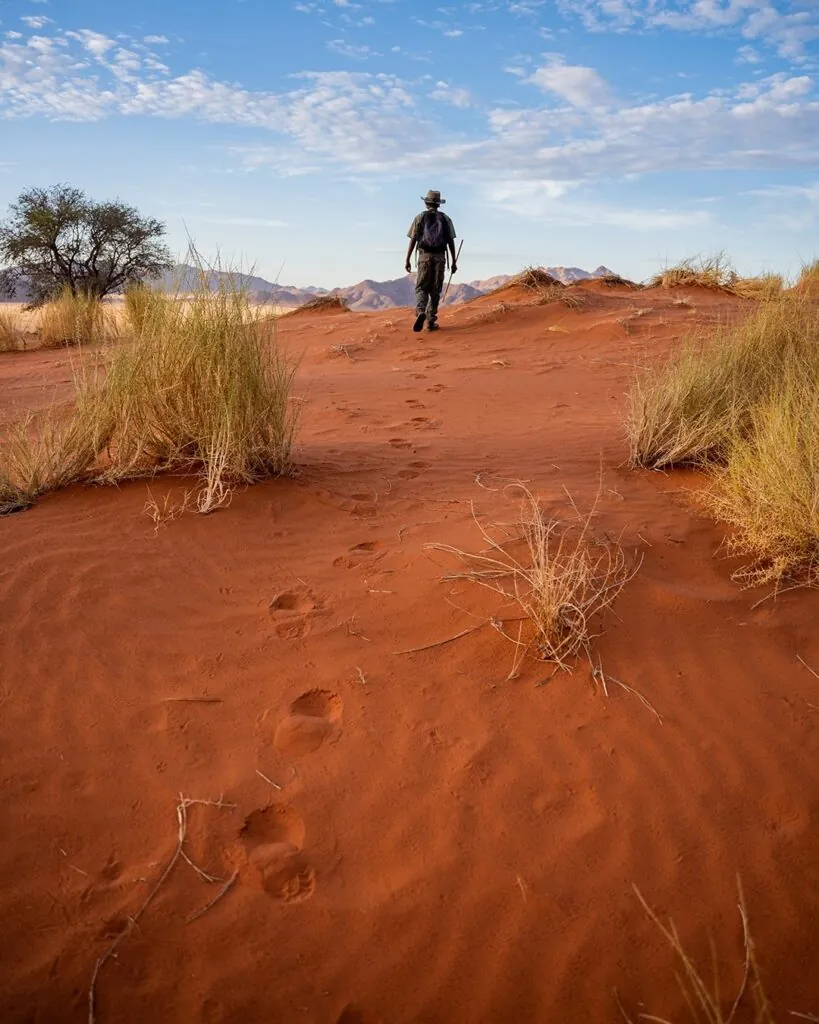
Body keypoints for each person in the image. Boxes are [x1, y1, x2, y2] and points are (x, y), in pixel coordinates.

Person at [405, 189, 458, 332]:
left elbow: (413, 240)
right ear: (438, 204)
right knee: (435, 290)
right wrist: (453, 261)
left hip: (424, 257)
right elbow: (451, 242)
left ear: (426, 203)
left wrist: (408, 259)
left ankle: (421, 310)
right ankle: (430, 321)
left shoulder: (419, 218)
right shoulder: (446, 219)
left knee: (421, 287)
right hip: (440, 258)